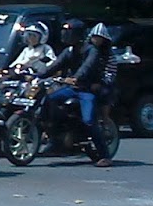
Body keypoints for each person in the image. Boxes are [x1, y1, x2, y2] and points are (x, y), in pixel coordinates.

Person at [45, 22, 118, 167]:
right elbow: (55, 65)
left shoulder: (92, 51)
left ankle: (105, 155)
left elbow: (87, 67)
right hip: (73, 88)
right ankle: (55, 137)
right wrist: (36, 74)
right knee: (49, 100)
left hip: (88, 90)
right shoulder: (69, 50)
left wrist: (77, 78)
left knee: (88, 120)